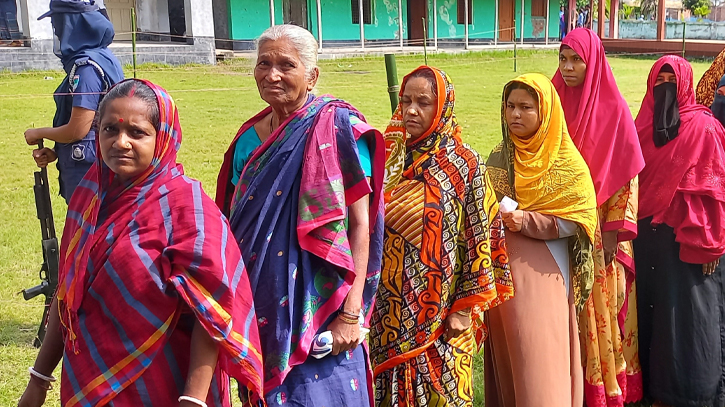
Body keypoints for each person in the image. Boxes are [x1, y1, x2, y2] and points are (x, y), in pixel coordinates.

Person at [17, 79, 265, 407]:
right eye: (109, 130)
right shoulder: (88, 199)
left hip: (165, 383)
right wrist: (39, 379)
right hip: (88, 380)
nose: (121, 142)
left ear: (162, 137)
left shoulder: (188, 210)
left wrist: (192, 398)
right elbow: (68, 296)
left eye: (137, 132)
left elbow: (212, 314)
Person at [215, 24, 384, 406]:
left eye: (286, 65)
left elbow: (362, 225)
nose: (271, 75)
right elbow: (233, 224)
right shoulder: (247, 139)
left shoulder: (339, 129)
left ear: (312, 75)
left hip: (325, 304)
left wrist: (351, 314)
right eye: (263, 63)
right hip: (258, 301)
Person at [369, 66, 513, 407]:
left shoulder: (465, 165)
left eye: (424, 102)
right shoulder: (386, 157)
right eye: (406, 101)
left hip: (443, 313)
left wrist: (463, 310)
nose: (412, 111)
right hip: (385, 308)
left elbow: (482, 235)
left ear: (444, 106)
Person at [485, 73, 599, 407]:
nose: (515, 115)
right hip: (503, 274)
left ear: (545, 112)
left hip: (545, 272)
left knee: (538, 358)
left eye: (525, 107)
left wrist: (528, 221)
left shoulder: (566, 163)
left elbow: (577, 220)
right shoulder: (499, 156)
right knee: (510, 357)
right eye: (510, 106)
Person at [553, 27, 645, 406]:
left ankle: (602, 390)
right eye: (563, 59)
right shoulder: (552, 101)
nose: (569, 67)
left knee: (599, 315)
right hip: (556, 231)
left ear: (593, 63)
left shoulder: (614, 111)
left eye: (577, 60)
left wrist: (608, 238)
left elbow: (626, 179)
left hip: (599, 238)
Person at [634, 55, 725, 407]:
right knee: (652, 314)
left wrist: (712, 246)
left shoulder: (705, 128)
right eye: (658, 80)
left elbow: (715, 193)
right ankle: (649, 389)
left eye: (671, 80)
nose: (664, 88)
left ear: (685, 84)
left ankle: (693, 394)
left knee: (687, 318)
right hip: (645, 241)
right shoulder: (639, 127)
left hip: (690, 244)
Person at [24, 0, 123, 204]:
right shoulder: (103, 57)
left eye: (59, 24)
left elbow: (78, 130)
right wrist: (55, 152)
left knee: (88, 232)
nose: (58, 32)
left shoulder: (86, 69)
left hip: (89, 173)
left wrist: (39, 133)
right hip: (96, 163)